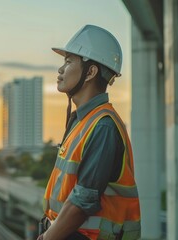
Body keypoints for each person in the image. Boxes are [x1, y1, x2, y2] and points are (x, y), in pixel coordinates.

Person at [37, 25, 141, 240]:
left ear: (91, 72)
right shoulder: (82, 122)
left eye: (68, 62)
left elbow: (82, 203)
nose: (60, 70)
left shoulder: (103, 126)